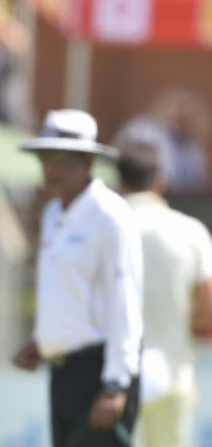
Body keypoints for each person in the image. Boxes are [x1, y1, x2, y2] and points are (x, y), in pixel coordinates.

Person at [12, 109, 143, 447]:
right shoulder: (54, 212)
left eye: (57, 156)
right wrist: (43, 341)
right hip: (63, 374)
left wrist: (116, 385)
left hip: (99, 374)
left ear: (85, 161)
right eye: (44, 156)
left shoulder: (111, 215)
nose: (47, 167)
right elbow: (66, 290)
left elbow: (124, 298)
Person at [116, 140, 212, 447]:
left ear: (119, 180)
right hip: (172, 370)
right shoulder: (190, 230)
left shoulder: (107, 226)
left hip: (113, 375)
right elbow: (208, 306)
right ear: (160, 181)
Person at [113, 86, 210, 196]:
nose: (181, 122)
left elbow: (199, 180)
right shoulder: (144, 130)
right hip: (142, 193)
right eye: (178, 117)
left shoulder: (193, 147)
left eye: (185, 120)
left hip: (184, 201)